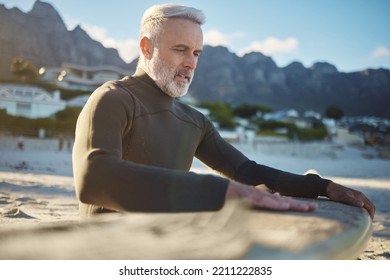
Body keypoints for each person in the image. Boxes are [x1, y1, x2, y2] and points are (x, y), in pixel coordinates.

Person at [72, 3, 375, 219]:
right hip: (109, 250)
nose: (190, 62)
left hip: (168, 244)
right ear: (146, 48)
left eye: (196, 53)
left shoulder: (194, 122)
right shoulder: (113, 99)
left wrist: (322, 187)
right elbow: (93, 179)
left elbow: (247, 172)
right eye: (180, 49)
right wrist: (218, 191)